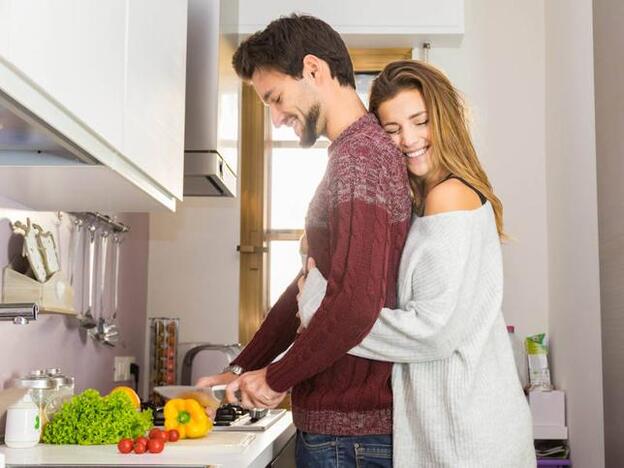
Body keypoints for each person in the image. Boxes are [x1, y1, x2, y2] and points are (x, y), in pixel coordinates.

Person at [196, 15, 412, 467]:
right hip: (344, 432)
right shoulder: (351, 158)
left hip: (351, 436)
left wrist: (275, 378)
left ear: (314, 70)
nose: (275, 120)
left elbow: (355, 303)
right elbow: (306, 289)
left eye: (275, 98)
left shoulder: (360, 159)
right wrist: (240, 369)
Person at [297, 60, 536, 467]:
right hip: (464, 429)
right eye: (392, 130)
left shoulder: (449, 197)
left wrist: (319, 306)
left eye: (420, 121)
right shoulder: (430, 201)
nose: (408, 139)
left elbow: (431, 333)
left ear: (444, 118)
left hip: (467, 438)